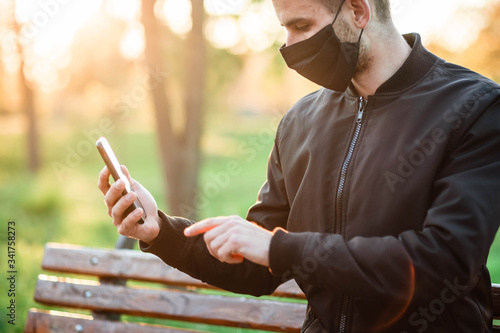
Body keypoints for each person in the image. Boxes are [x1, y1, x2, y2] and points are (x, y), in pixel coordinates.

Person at [98, 0, 500, 331]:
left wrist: (282, 247)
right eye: (284, 29)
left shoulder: (474, 108)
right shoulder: (299, 121)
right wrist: (162, 232)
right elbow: (256, 265)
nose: (288, 48)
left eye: (302, 26)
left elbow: (443, 262)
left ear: (358, 12)